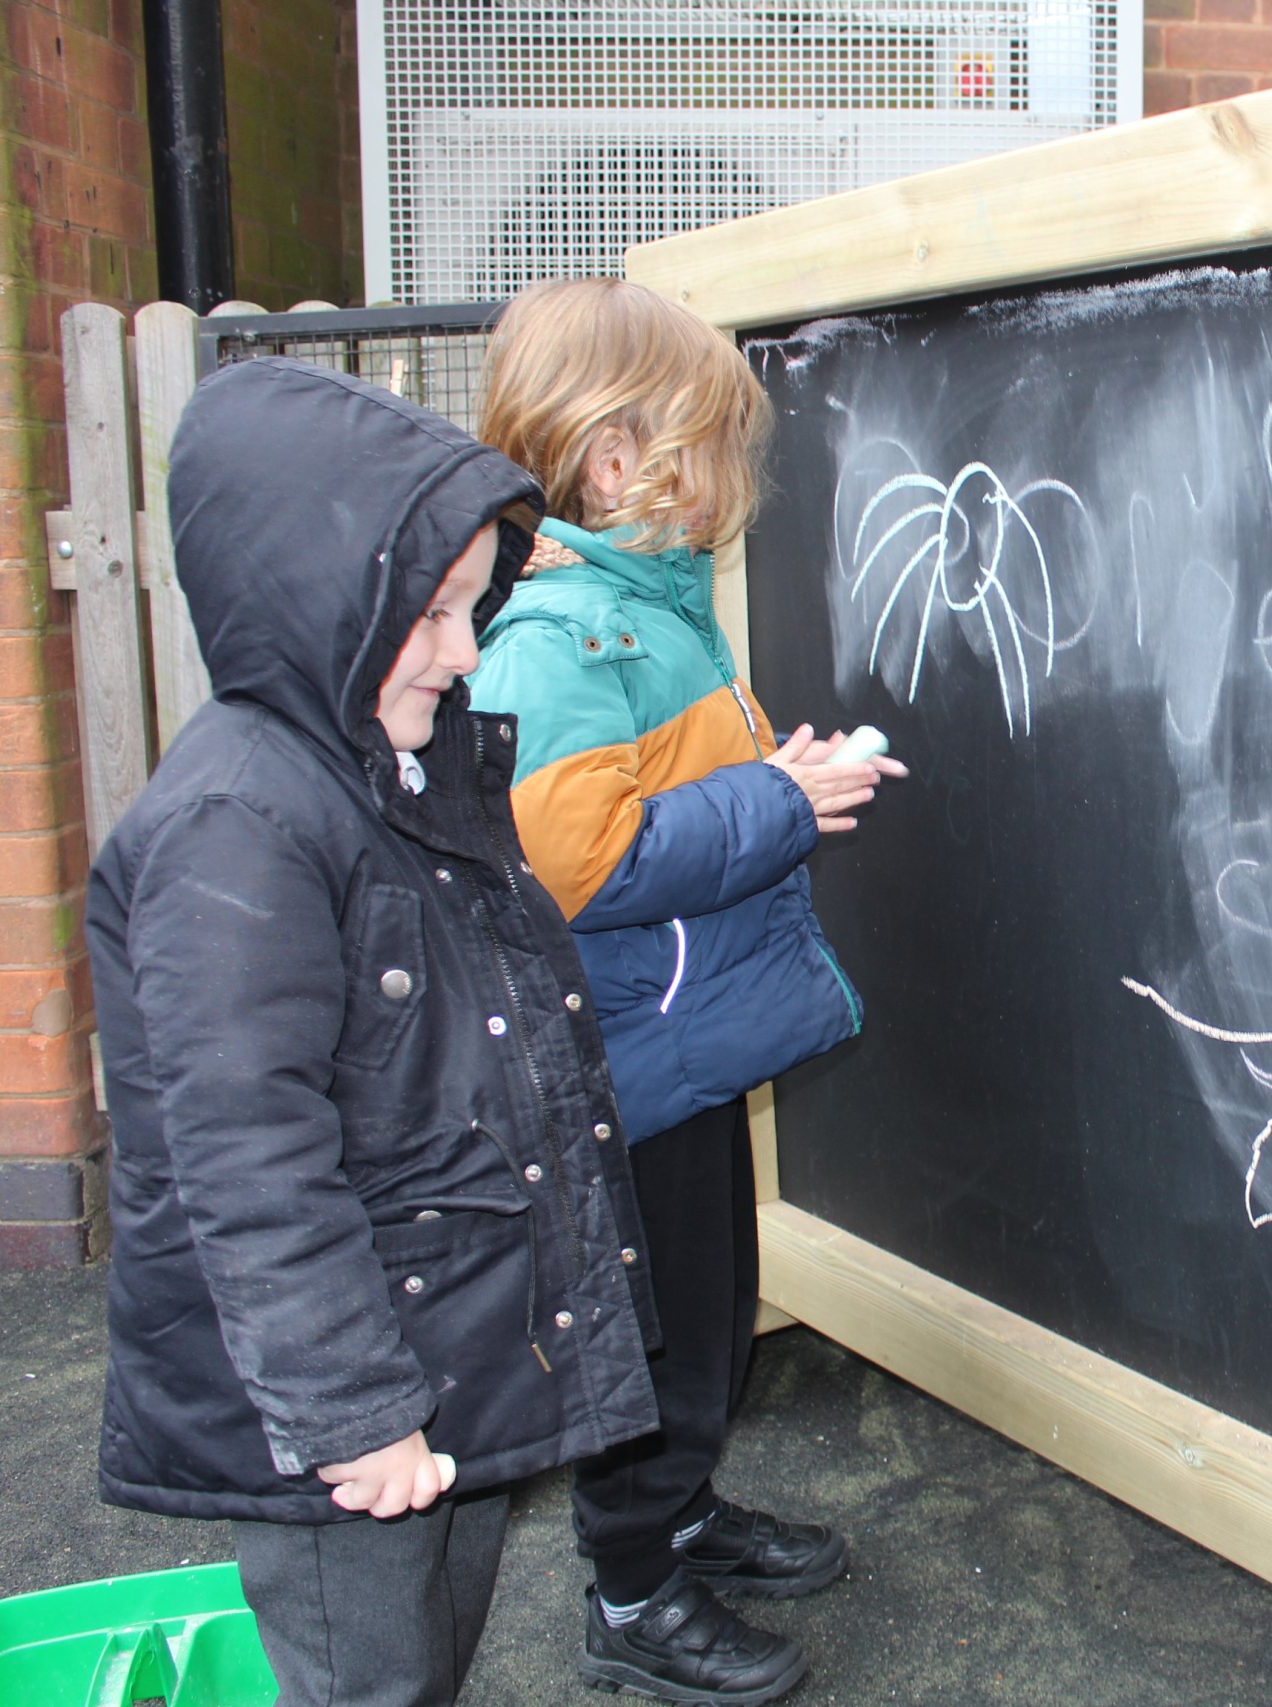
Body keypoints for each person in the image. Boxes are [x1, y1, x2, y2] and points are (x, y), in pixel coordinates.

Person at [90, 357, 664, 1707]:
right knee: (370, 1682)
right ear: (316, 604)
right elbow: (243, 1154)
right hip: (349, 1401)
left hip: (443, 1349)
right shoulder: (240, 821)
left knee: (431, 1657)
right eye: (431, 615)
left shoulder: (403, 767)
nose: (467, 651)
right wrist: (355, 1413)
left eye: (475, 606)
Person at [468, 277, 903, 1706]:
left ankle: (684, 1510)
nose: (735, 479)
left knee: (713, 1301)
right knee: (643, 1320)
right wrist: (777, 803)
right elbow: (581, 860)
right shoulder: (556, 637)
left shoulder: (650, 614)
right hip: (623, 1064)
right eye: (713, 446)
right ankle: (631, 1591)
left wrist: (774, 778)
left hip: (682, 1048)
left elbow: (670, 793)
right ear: (618, 462)